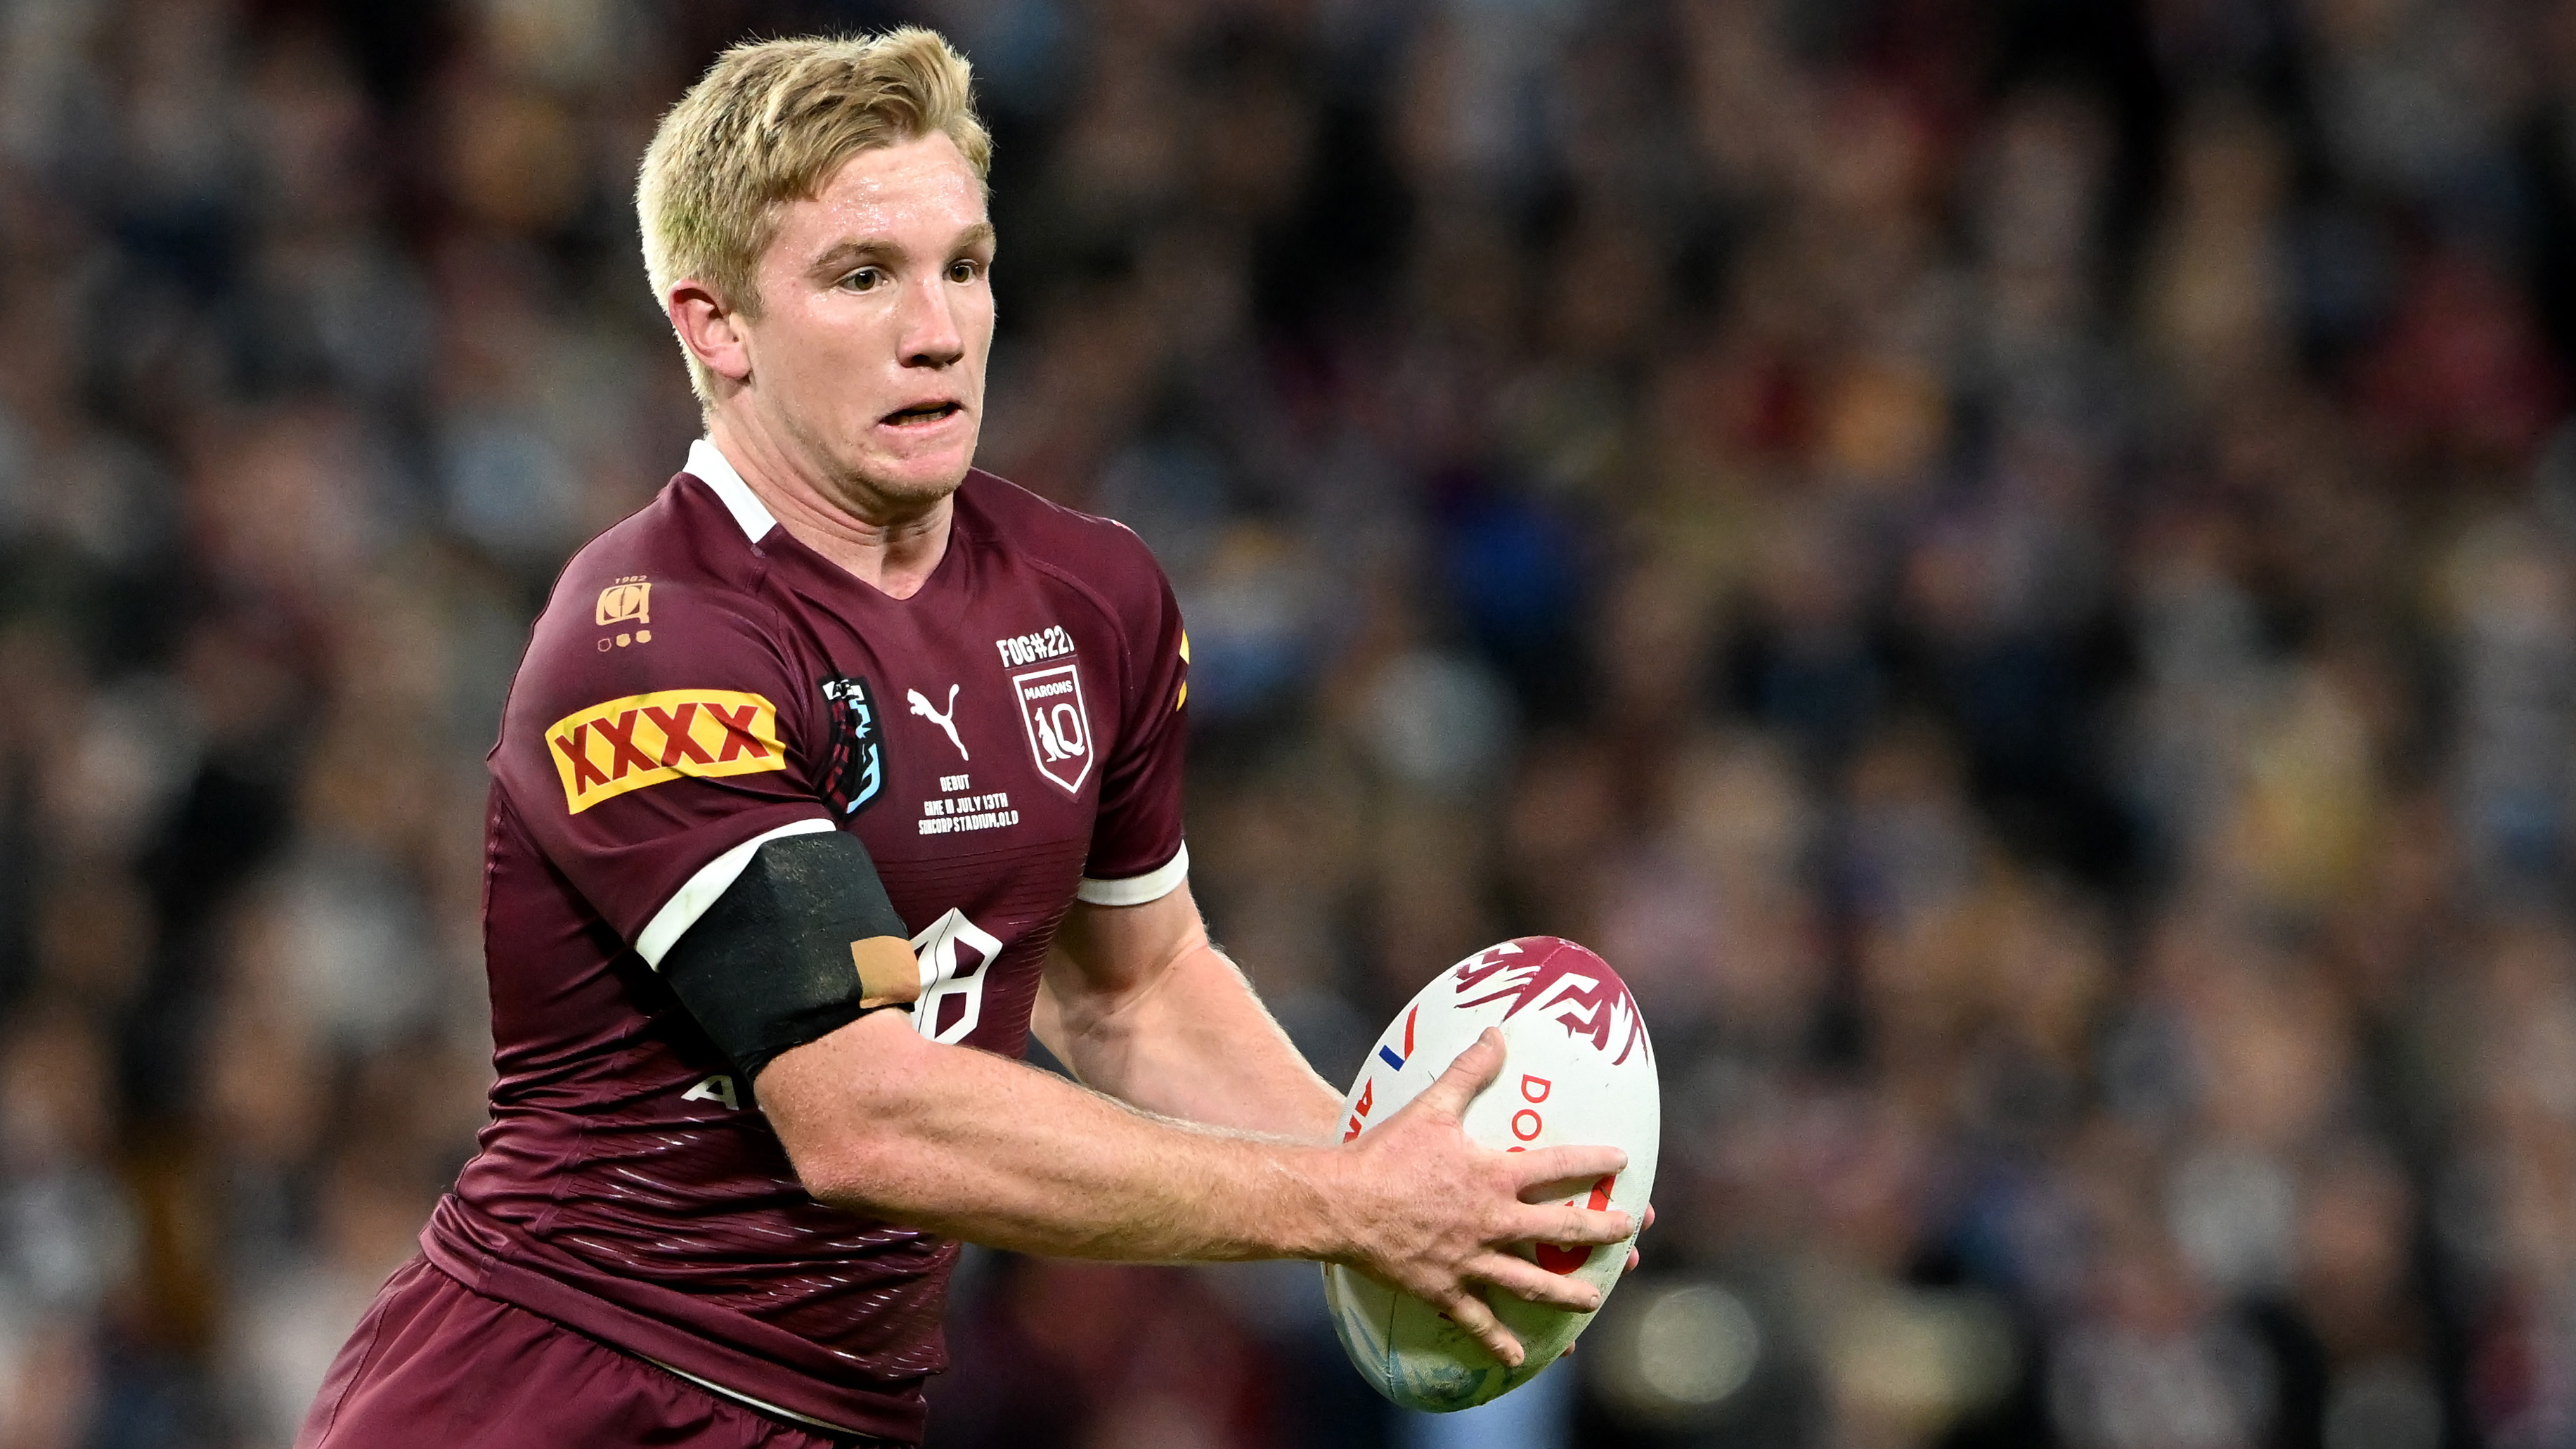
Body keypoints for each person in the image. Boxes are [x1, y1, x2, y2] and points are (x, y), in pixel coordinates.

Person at [295, 28, 1633, 1448]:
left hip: (837, 1408)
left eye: (966, 265)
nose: (935, 327)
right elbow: (864, 1118)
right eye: (862, 275)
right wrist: (1345, 1206)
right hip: (558, 1388)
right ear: (715, 326)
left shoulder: (1091, 596)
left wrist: (1410, 1189)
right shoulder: (651, 642)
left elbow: (1130, 992)